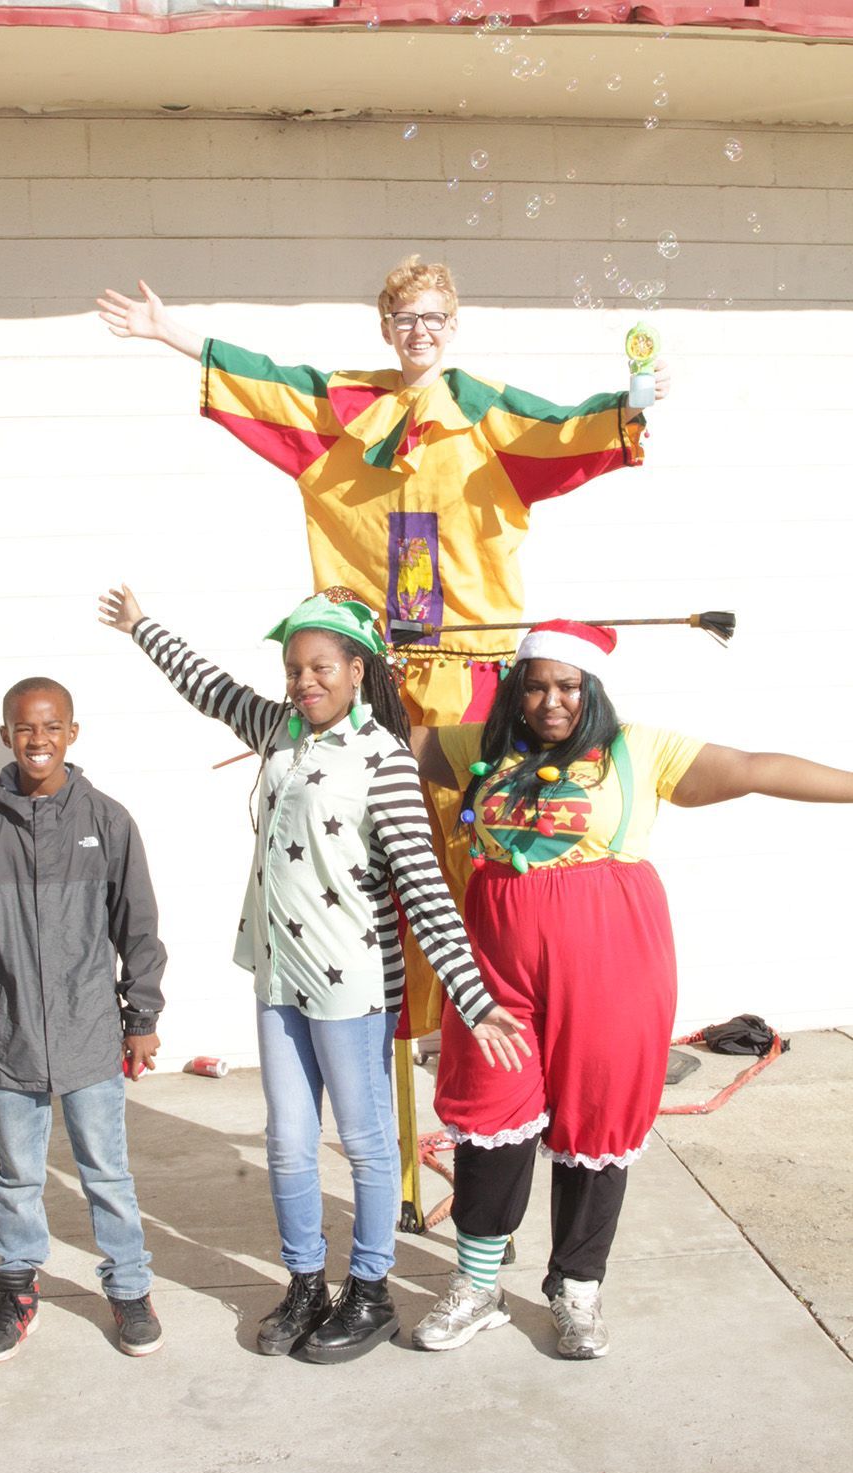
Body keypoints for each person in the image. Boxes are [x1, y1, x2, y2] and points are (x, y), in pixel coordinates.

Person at [96, 258, 670, 1035]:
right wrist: (173, 334)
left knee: (471, 839)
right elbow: (267, 383)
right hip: (374, 680)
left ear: (453, 326)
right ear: (385, 327)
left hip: (468, 677)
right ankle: (386, 1019)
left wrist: (630, 402)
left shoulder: (488, 415)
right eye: (405, 318)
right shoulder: (344, 410)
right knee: (370, 843)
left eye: (433, 318)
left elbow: (567, 429)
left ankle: (484, 1017)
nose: (419, 332)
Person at [98, 583, 528, 1363]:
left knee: (365, 1143)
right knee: (289, 1142)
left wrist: (473, 997)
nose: (304, 681)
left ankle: (370, 1291)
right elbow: (209, 687)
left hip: (353, 985)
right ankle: (305, 1283)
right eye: (294, 668)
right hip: (278, 976)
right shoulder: (279, 732)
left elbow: (425, 890)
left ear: (358, 671)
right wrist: (140, 626)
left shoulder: (384, 761)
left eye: (321, 667)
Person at [409, 618, 853, 1358]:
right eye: (537, 686)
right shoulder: (480, 745)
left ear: (592, 688)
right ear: (517, 691)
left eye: (568, 686)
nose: (552, 701)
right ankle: (479, 1287)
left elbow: (754, 767)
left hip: (612, 959)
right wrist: (356, 659)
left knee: (599, 1114)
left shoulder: (639, 749)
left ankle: (576, 1289)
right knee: (490, 1112)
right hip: (497, 963)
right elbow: (377, 737)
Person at [0, 677, 168, 1364]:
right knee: (17, 1175)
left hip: (90, 1032)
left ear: (72, 733)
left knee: (108, 1173)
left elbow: (138, 926)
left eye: (50, 726)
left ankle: (129, 1287)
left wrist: (141, 1015)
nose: (37, 739)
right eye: (24, 727)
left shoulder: (108, 820)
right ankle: (16, 1290)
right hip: (9, 1039)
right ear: (7, 735)